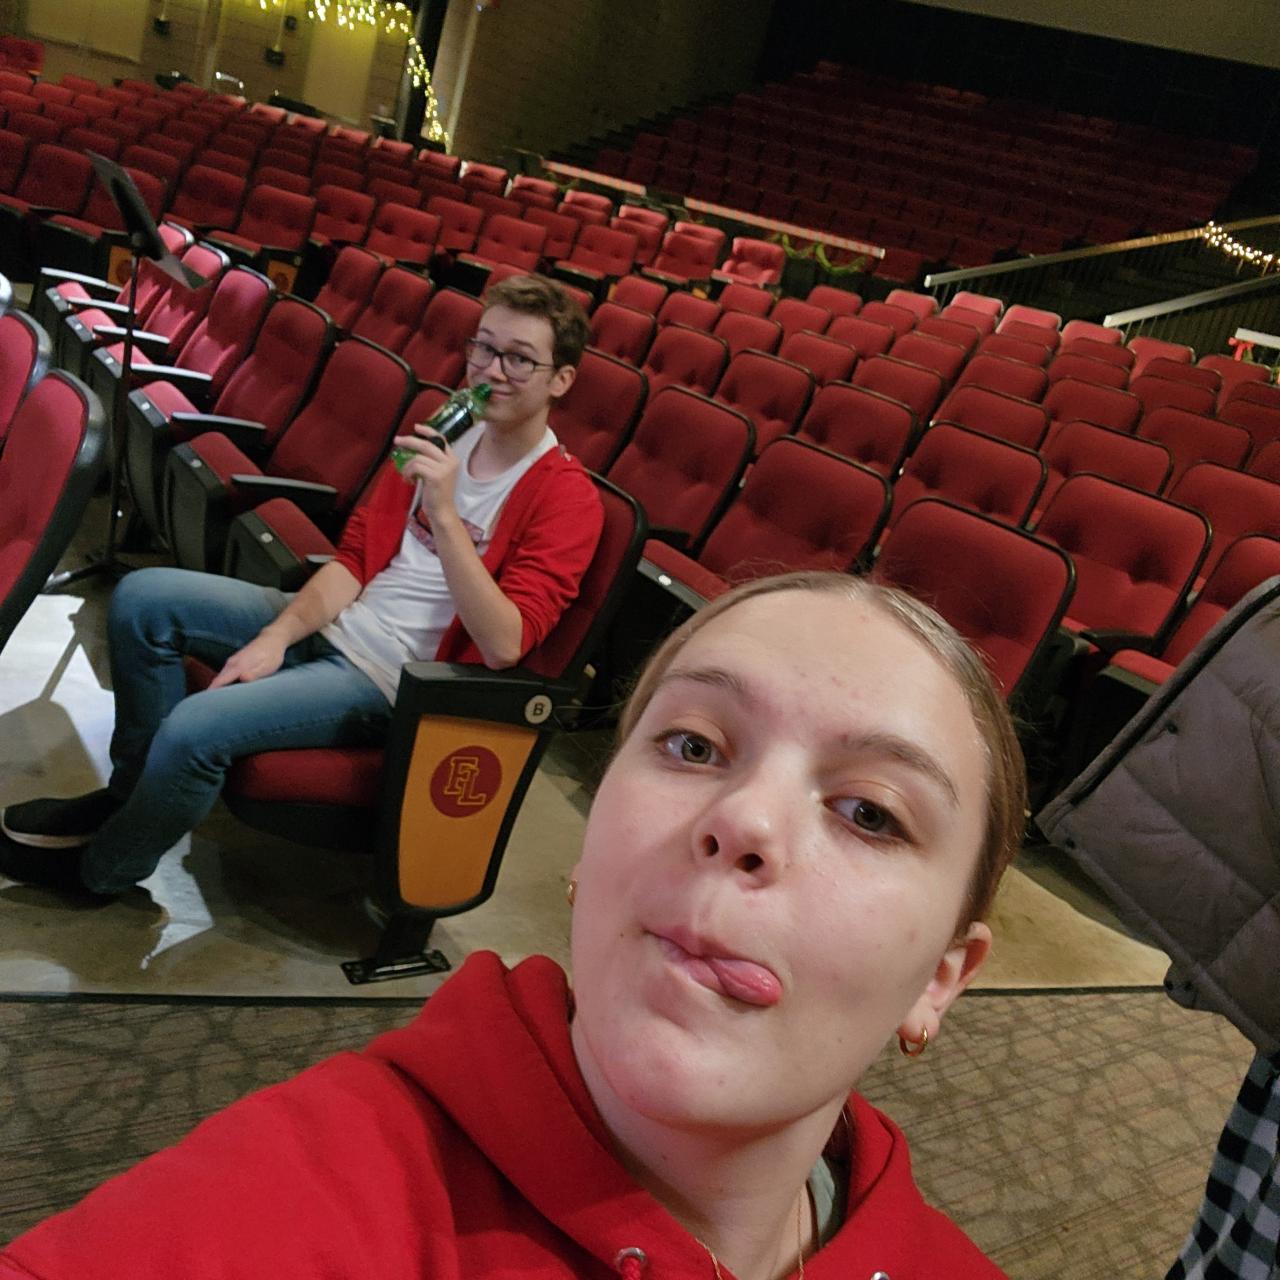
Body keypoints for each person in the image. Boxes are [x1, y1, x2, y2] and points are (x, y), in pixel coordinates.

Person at [0, 571, 1024, 1278]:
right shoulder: (311, 1188)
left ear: (942, 976)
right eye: (693, 745)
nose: (743, 820)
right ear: (588, 850)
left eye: (869, 813)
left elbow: (500, 639)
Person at [0, 273, 603, 899]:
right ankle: (128, 800)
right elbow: (356, 557)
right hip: (341, 621)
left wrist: (446, 516)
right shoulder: (446, 429)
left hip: (390, 679)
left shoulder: (568, 498)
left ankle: (103, 872)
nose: (491, 371)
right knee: (142, 600)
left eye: (519, 359)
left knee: (193, 727)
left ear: (561, 380)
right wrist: (278, 636)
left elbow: (504, 644)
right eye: (483, 347)